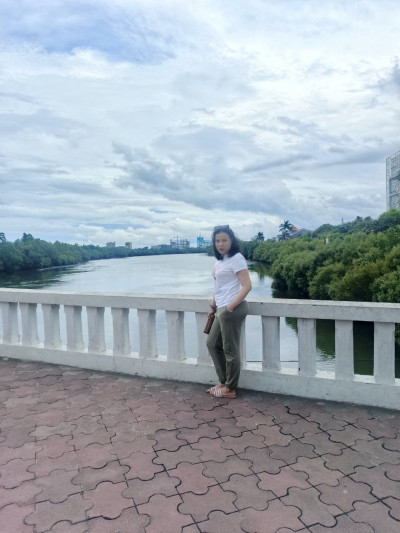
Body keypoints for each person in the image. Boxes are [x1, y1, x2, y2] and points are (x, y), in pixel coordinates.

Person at [206, 225, 252, 399]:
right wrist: (213, 305)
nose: (220, 244)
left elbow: (247, 286)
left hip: (232, 309)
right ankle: (224, 381)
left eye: (224, 240)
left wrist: (230, 307)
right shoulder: (219, 262)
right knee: (212, 343)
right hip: (221, 308)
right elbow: (219, 287)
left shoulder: (237, 258)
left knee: (230, 349)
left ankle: (230, 388)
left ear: (231, 241)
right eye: (217, 241)